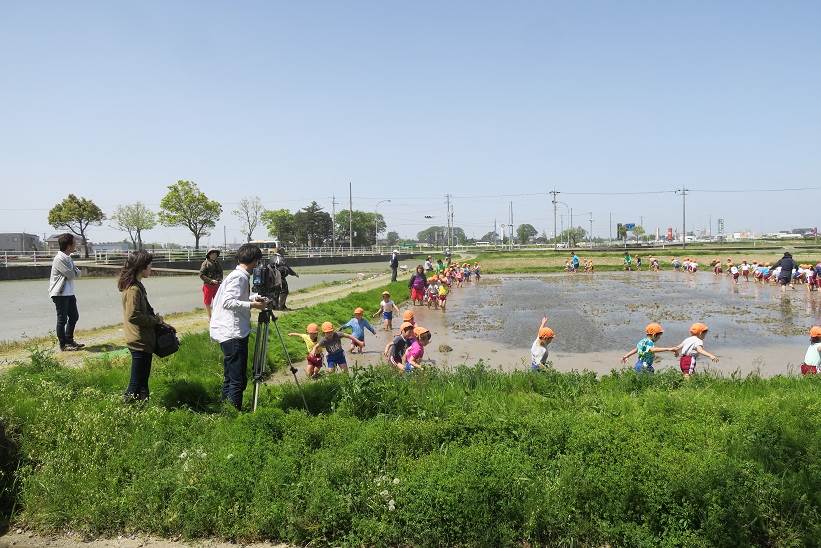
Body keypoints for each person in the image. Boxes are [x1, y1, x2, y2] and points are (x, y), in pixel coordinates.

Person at [209, 243, 268, 410]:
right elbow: (229, 302)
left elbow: (236, 297)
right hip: (233, 333)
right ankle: (233, 415)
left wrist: (253, 298)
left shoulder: (236, 275)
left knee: (230, 378)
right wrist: (253, 306)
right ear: (255, 261)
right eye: (258, 261)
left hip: (228, 332)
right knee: (238, 380)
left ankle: (226, 411)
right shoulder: (239, 277)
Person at [119, 250, 170, 401]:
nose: (151, 268)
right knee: (135, 384)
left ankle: (141, 410)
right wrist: (156, 320)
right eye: (149, 265)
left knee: (142, 383)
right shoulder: (134, 289)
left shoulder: (136, 286)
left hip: (143, 340)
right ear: (142, 267)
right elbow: (133, 316)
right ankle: (125, 413)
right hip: (139, 341)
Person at [48, 233, 84, 351]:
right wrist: (74, 271)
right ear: (69, 246)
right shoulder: (59, 259)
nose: (76, 245)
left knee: (74, 316)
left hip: (68, 293)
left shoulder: (68, 257)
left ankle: (69, 340)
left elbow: (77, 273)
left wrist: (74, 271)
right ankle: (63, 345)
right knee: (62, 319)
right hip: (60, 294)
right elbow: (71, 275)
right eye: (74, 243)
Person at [199, 248, 223, 319]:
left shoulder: (218, 263)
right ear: (209, 255)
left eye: (215, 254)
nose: (214, 255)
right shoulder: (205, 263)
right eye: (212, 254)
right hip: (208, 285)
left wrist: (220, 279)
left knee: (218, 300)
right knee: (208, 301)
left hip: (217, 285)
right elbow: (201, 275)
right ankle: (210, 316)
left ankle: (216, 315)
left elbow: (221, 272)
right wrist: (211, 281)